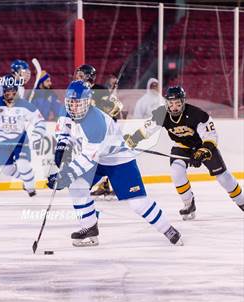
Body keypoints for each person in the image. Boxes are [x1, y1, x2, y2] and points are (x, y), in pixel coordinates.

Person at [47, 80, 183, 247]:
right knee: (77, 186)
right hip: (97, 159)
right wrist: (61, 145)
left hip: (119, 160)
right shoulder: (71, 111)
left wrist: (63, 177)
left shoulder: (95, 122)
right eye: (71, 103)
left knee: (138, 203)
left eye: (77, 103)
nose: (73, 107)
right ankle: (89, 228)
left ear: (87, 102)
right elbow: (65, 129)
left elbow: (88, 158)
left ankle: (167, 229)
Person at [124, 86, 244, 220]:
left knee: (223, 177)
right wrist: (133, 140)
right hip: (182, 146)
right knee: (176, 171)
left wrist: (202, 152)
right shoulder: (161, 113)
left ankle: (242, 201)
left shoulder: (197, 114)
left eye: (177, 103)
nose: (174, 107)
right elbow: (147, 130)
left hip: (203, 146)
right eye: (171, 103)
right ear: (166, 103)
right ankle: (189, 204)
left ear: (183, 102)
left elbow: (210, 136)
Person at [0, 75, 46, 197]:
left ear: (16, 91)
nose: (10, 94)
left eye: (13, 91)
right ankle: (27, 178)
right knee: (6, 170)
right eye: (7, 91)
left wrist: (38, 133)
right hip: (1, 141)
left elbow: (40, 121)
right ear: (3, 91)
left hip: (20, 141)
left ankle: (30, 189)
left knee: (23, 164)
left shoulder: (24, 105)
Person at [74, 64, 124, 199]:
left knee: (104, 158)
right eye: (77, 75)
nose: (78, 78)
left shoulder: (100, 90)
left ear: (89, 77)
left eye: (81, 75)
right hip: (86, 131)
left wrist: (109, 107)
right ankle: (102, 184)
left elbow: (118, 107)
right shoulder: (76, 91)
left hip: (104, 132)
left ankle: (114, 183)